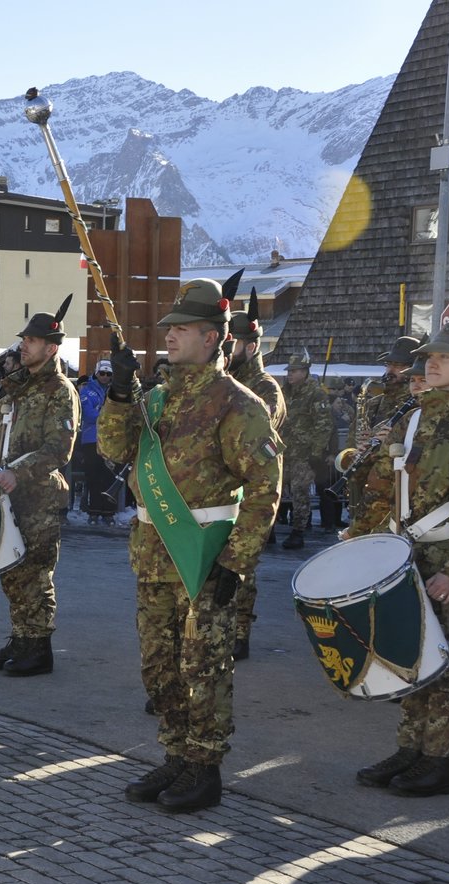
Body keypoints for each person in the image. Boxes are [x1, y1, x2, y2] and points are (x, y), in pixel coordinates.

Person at [99, 278, 282, 813]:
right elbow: (115, 448)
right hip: (154, 554)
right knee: (160, 667)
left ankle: (205, 769)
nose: (170, 337)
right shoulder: (156, 398)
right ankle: (176, 756)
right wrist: (118, 394)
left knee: (204, 667)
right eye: (169, 329)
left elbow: (264, 488)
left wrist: (235, 562)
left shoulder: (238, 404)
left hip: (203, 555)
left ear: (212, 337)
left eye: (180, 329)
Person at [347, 319, 449, 795]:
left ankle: (440, 762)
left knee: (448, 660)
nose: (432, 362)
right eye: (431, 356)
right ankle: (410, 750)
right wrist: (361, 536)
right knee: (412, 654)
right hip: (406, 553)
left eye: (445, 357)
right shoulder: (413, 413)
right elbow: (385, 485)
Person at [0, 312, 80, 678]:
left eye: (32, 341)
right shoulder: (17, 387)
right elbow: (1, 441)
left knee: (36, 573)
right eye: (24, 339)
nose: (24, 345)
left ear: (51, 349)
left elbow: (58, 449)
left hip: (37, 497)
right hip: (8, 494)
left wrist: (15, 472)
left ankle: (39, 648)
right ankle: (21, 638)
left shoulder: (59, 391)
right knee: (12, 571)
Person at [224, 308, 286, 661]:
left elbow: (266, 422)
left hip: (251, 486)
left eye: (233, 343)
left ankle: (240, 631)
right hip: (220, 487)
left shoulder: (264, 387)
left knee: (242, 563)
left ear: (250, 347)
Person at [278, 352, 333, 550]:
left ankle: (298, 531)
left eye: (293, 371)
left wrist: (316, 453)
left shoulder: (316, 393)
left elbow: (324, 424)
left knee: (300, 493)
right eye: (289, 371)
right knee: (276, 490)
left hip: (304, 454)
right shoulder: (286, 392)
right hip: (284, 451)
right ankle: (270, 529)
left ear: (304, 371)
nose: (289, 375)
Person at [77, 359, 117, 524]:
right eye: (102, 373)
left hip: (111, 440)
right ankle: (93, 511)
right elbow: (89, 415)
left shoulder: (116, 391)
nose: (105, 377)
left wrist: (101, 411)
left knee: (110, 476)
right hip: (91, 439)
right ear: (96, 372)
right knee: (93, 476)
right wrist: (107, 414)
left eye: (109, 374)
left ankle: (108, 513)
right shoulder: (87, 390)